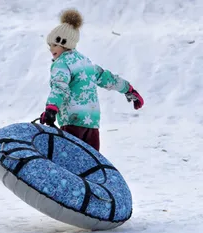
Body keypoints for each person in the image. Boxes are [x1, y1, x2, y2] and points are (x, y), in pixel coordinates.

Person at [40, 8, 144, 151]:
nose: (51, 49)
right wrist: (129, 89)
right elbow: (108, 78)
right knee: (90, 161)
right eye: (49, 45)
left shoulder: (61, 64)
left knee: (70, 160)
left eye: (54, 44)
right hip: (92, 123)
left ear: (64, 42)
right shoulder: (85, 62)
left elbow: (60, 87)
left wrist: (51, 109)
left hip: (72, 120)